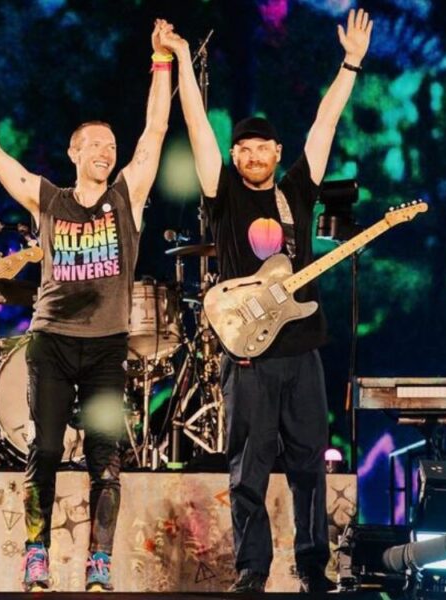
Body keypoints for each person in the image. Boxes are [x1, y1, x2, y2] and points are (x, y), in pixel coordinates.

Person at [166, 9, 373, 593]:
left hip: (301, 349)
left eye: (263, 149)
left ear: (278, 153)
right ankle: (252, 570)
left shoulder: (297, 192)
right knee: (248, 468)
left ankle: (312, 567)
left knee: (310, 465)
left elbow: (325, 123)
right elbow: (197, 125)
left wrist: (351, 64)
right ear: (234, 157)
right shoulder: (224, 194)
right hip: (248, 355)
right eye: (244, 150)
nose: (253, 157)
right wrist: (181, 60)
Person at [0, 21, 174, 592]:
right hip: (52, 342)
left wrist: (161, 62)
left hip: (106, 347)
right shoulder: (49, 199)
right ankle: (37, 552)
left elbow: (156, 130)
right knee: (48, 447)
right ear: (74, 152)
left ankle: (98, 562)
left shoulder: (126, 196)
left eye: (111, 146)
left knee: (105, 456)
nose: (106, 152)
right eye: (95, 145)